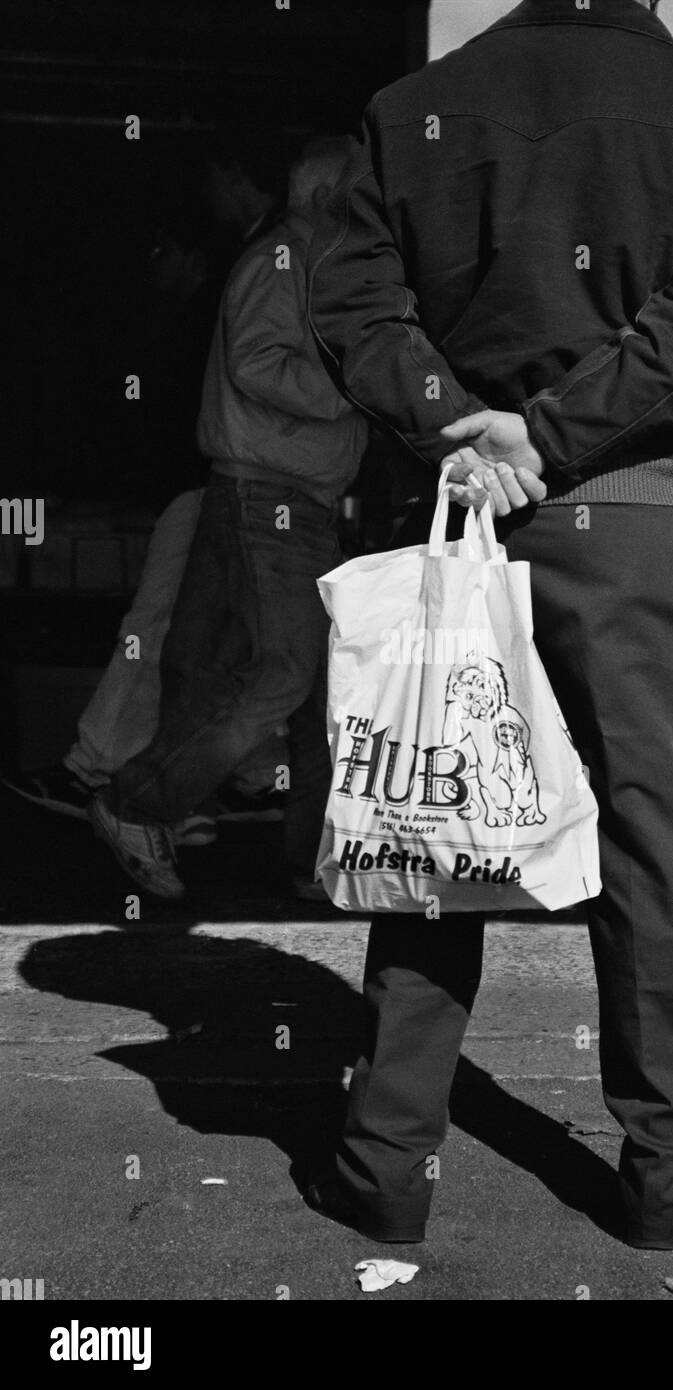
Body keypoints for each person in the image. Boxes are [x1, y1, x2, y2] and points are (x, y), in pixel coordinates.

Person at [305, 0, 673, 1249]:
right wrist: (554, 437)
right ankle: (672, 1176)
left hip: (453, 517)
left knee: (433, 829)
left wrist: (452, 419)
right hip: (623, 528)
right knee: (647, 857)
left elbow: (348, 295)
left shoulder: (412, 109)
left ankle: (384, 1165)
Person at [88, 136, 368, 901]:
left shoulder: (306, 260)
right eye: (366, 191)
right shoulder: (286, 260)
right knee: (284, 673)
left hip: (276, 496)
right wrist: (351, 387)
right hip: (269, 494)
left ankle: (311, 860)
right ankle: (135, 804)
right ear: (331, 195)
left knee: (278, 684)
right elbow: (256, 361)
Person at [3, 144, 293, 840]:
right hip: (235, 483)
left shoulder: (248, 276)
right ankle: (253, 776)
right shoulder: (251, 270)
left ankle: (100, 766)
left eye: (164, 251)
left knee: (164, 627)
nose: (153, 264)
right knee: (222, 643)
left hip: (218, 483)